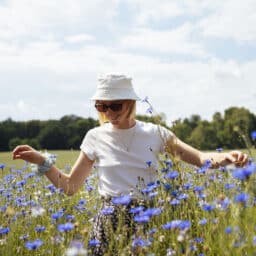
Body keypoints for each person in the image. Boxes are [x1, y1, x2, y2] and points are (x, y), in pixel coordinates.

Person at [12, 74, 248, 255]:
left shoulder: (155, 132)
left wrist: (226, 157)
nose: (109, 112)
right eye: (101, 106)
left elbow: (199, 159)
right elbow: (70, 187)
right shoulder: (94, 136)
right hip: (108, 222)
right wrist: (41, 162)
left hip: (150, 219)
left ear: (130, 103)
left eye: (115, 106)